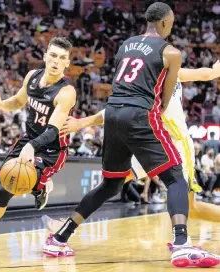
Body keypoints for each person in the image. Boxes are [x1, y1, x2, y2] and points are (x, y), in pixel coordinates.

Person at [42, 3, 219, 268]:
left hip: (116, 115)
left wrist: (85, 122)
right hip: (149, 124)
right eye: (171, 23)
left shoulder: (127, 46)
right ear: (164, 23)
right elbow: (163, 98)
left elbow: (123, 91)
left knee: (111, 184)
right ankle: (182, 245)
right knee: (176, 181)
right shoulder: (170, 54)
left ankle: (60, 237)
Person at [0, 37, 76, 256]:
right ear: (45, 56)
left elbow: (53, 131)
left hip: (51, 150)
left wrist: (32, 146)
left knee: (5, 190)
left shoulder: (66, 92)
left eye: (62, 58)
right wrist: (0, 104)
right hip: (27, 139)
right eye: (53, 55)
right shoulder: (32, 77)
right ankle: (39, 186)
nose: (56, 61)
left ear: (67, 62)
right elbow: (18, 102)